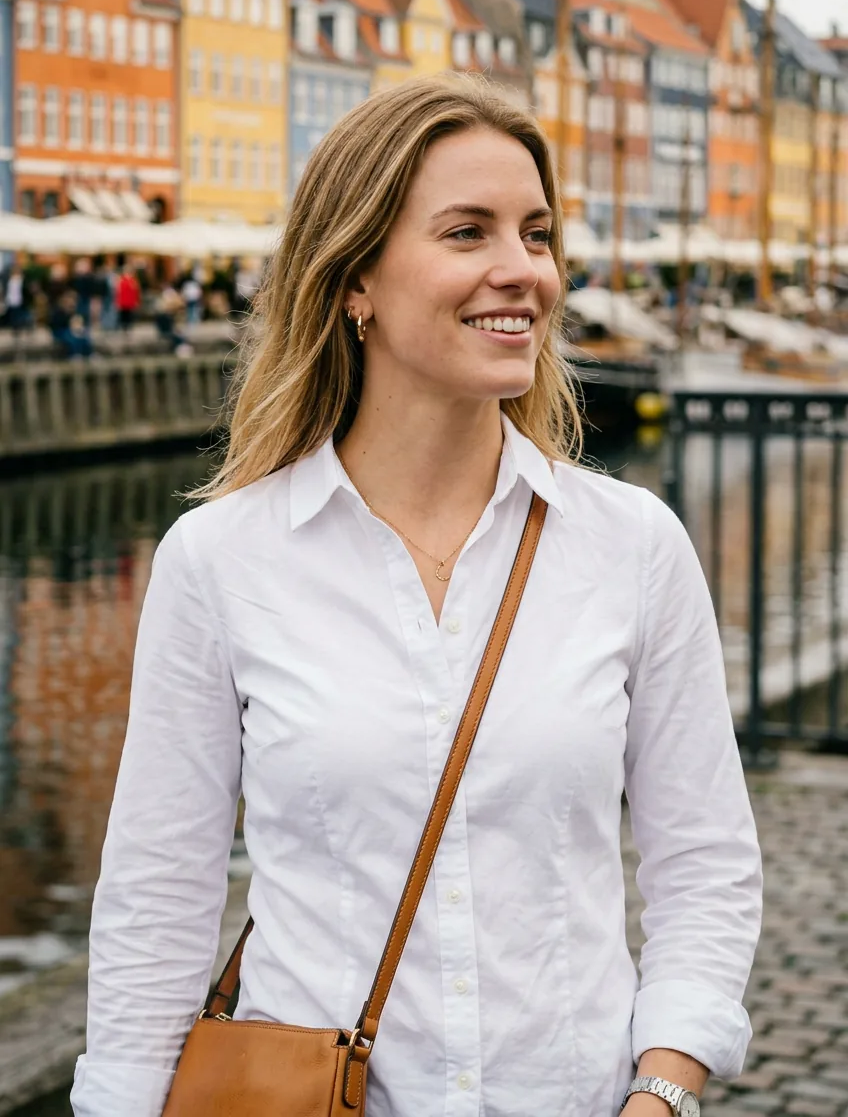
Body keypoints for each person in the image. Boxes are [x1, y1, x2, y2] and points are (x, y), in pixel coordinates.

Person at [71, 76, 762, 1117]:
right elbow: (156, 901)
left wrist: (661, 1091)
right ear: (355, 279)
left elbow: (705, 866)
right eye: (467, 231)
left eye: (536, 233)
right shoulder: (221, 561)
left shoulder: (631, 547)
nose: (522, 269)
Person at [49, 289, 93, 359]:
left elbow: (80, 322)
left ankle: (88, 353)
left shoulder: (77, 311)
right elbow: (56, 324)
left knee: (85, 337)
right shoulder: (58, 311)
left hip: (73, 330)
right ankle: (74, 354)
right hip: (60, 331)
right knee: (71, 338)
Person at [114, 264, 142, 332]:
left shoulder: (133, 281)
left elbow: (136, 292)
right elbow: (118, 292)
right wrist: (117, 302)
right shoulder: (121, 280)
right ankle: (124, 327)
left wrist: (137, 301)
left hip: (130, 301)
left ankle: (128, 327)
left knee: (129, 315)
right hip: (123, 301)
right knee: (123, 315)